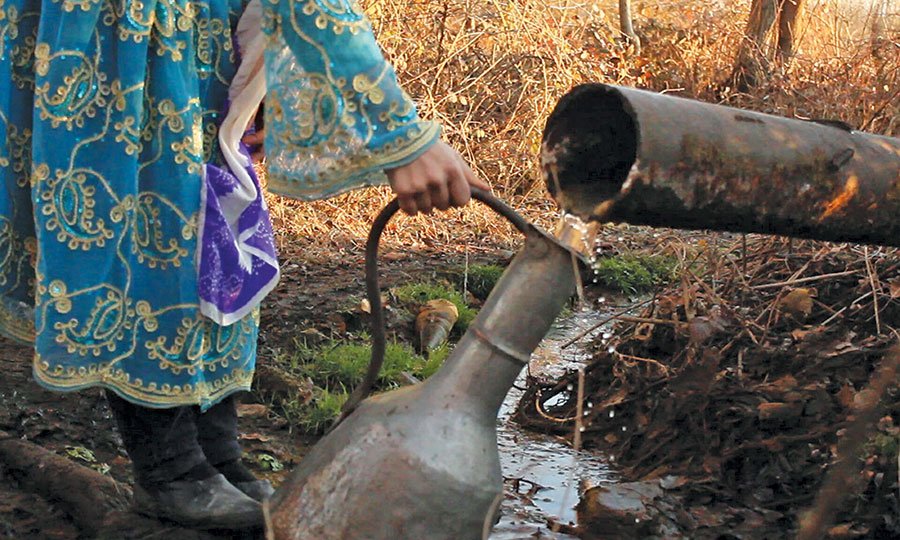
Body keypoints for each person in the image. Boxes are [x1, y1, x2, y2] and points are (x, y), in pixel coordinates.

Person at [0, 0, 488, 530]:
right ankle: (171, 469)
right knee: (153, 240)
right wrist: (402, 137)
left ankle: (218, 453)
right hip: (123, 43)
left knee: (219, 234)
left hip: (193, 41)